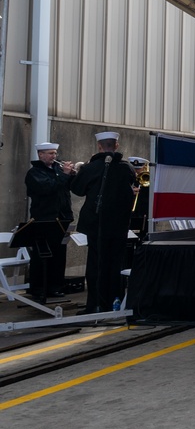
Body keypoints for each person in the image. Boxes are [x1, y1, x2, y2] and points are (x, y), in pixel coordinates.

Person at [71, 131, 139, 314]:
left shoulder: (90, 168)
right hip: (118, 225)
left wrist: (71, 174)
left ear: (99, 146)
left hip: (96, 224)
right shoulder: (126, 168)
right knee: (115, 264)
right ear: (116, 146)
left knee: (96, 265)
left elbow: (78, 189)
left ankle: (94, 305)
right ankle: (114, 302)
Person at [24, 142, 76, 300]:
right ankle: (38, 287)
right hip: (44, 219)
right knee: (41, 255)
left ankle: (56, 286)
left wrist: (73, 175)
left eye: (54, 153)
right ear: (41, 155)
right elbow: (47, 188)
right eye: (50, 153)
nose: (54, 156)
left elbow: (70, 188)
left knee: (59, 255)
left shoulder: (58, 171)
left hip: (62, 218)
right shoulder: (34, 173)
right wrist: (65, 175)